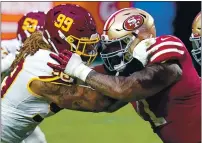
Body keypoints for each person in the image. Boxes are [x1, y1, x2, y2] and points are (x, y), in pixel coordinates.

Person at [47, 8, 201, 143]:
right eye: (108, 46)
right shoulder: (128, 68)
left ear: (141, 38)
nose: (111, 52)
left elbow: (123, 89)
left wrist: (78, 69)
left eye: (117, 45)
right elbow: (102, 101)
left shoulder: (168, 55)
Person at [1, 4, 114, 143]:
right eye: (80, 44)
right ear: (60, 40)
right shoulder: (47, 68)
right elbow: (101, 102)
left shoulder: (43, 51)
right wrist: (133, 71)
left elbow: (90, 78)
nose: (89, 50)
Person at [1, 11, 47, 143]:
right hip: (6, 111)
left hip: (14, 108)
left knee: (38, 140)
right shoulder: (7, 48)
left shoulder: (39, 54)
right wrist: (14, 58)